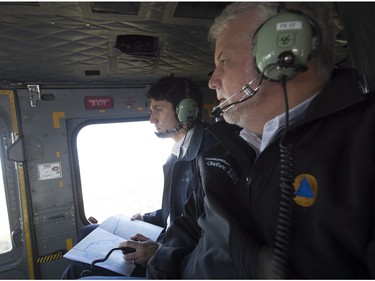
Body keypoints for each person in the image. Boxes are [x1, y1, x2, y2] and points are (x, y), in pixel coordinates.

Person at [147, 2, 375, 279]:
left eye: (223, 61)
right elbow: (185, 231)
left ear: (282, 53)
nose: (212, 81)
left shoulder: (361, 146)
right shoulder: (222, 152)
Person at [61, 75, 218, 278]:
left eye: (158, 109)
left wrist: (159, 250)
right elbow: (180, 210)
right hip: (170, 241)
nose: (151, 118)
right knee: (87, 231)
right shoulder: (178, 153)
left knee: (75, 273)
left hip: (178, 260)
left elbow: (212, 235)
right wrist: (147, 218)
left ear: (186, 111)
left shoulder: (208, 153)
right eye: (151, 110)